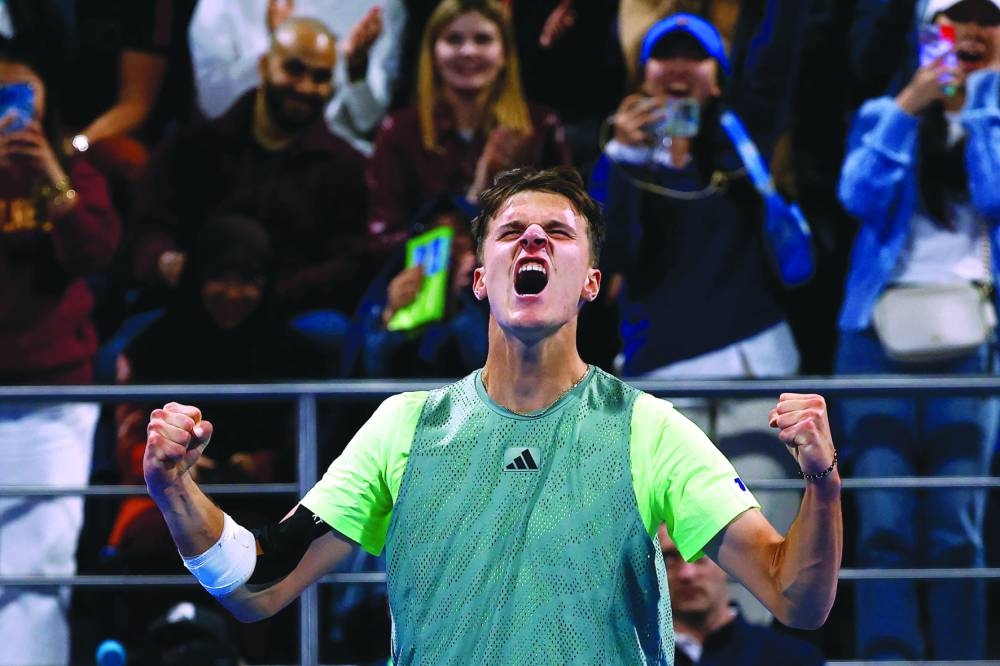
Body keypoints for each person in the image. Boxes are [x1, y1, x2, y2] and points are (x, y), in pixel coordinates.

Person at [143, 166, 841, 664]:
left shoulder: (650, 428)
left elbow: (794, 599)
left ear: (591, 284)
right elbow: (259, 585)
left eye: (557, 234)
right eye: (512, 232)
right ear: (480, 280)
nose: (533, 242)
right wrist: (175, 492)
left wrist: (822, 485)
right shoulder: (404, 428)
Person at [835, 0, 1000, 659]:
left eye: (988, 20)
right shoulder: (886, 114)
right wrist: (909, 106)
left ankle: (962, 659)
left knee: (958, 529)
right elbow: (857, 196)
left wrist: (980, 104)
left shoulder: (996, 118)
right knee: (884, 525)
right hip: (878, 338)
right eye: (955, 22)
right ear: (928, 33)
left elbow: (992, 197)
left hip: (972, 336)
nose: (973, 34)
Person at [128, 16, 368, 367]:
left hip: (293, 314)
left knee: (333, 336)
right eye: (294, 69)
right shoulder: (191, 147)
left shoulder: (345, 166)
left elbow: (351, 260)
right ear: (263, 65)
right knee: (117, 356)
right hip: (192, 307)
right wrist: (165, 261)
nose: (305, 87)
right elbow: (147, 228)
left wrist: (266, 294)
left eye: (320, 77)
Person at [0, 47, 120, 666]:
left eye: (20, 100)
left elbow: (95, 253)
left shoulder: (72, 170)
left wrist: (53, 180)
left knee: (37, 574)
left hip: (49, 398)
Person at [366, 0, 571, 250]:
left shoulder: (540, 127)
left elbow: (565, 227)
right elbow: (381, 238)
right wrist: (441, 238)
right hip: (422, 282)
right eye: (454, 40)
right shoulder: (399, 130)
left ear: (505, 53)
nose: (468, 51)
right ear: (432, 53)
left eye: (483, 39)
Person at [189, 0, 406, 155]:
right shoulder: (224, 5)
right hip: (237, 150)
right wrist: (277, 48)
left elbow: (367, 120)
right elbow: (214, 104)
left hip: (329, 162)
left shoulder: (382, 7)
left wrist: (356, 69)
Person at [657, 525, 826, 665]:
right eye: (670, 558)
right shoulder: (637, 659)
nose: (687, 574)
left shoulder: (792, 659)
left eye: (700, 555)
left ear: (725, 560)